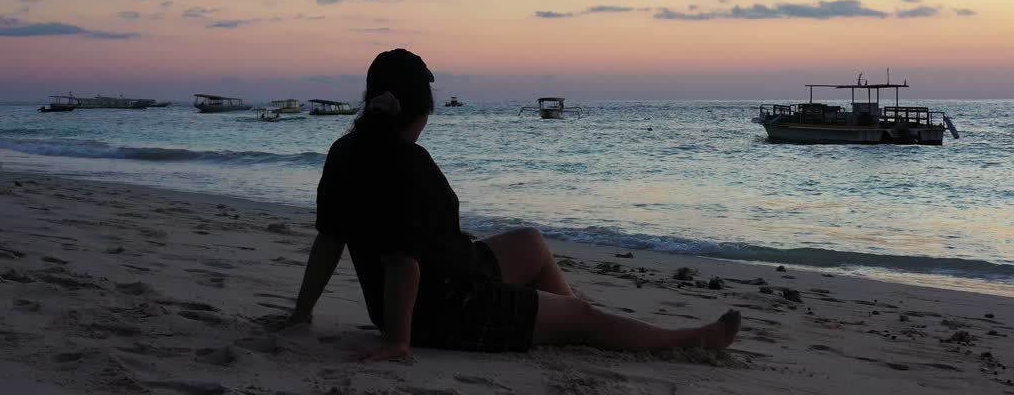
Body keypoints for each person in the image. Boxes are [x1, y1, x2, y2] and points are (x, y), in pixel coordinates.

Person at [284, 48, 740, 359]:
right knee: (581, 315)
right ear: (423, 111)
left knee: (531, 242)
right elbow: (401, 260)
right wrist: (399, 341)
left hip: (438, 284)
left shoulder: (346, 152)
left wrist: (303, 312)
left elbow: (329, 240)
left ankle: (577, 331)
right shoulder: (407, 162)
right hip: (446, 310)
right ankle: (683, 340)